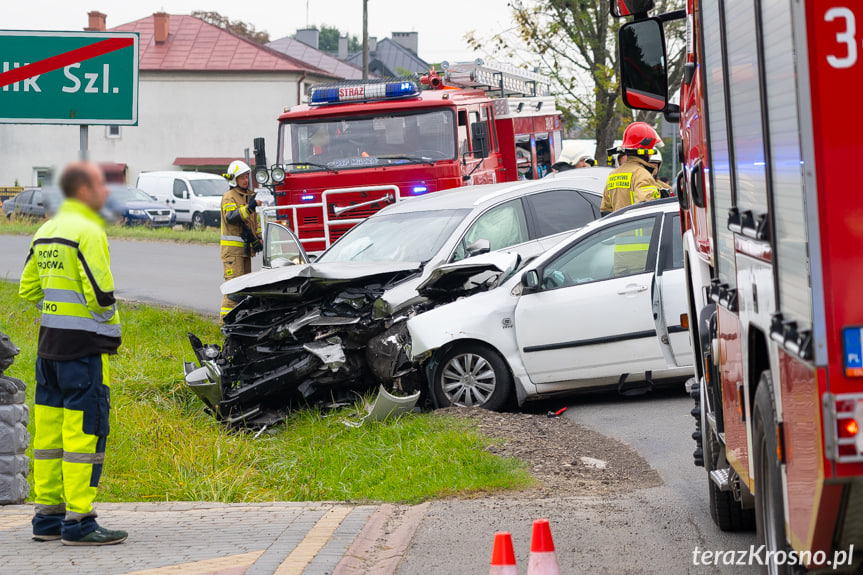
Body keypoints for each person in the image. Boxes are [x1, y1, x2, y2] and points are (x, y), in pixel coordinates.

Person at [18, 162, 127, 546]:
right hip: (84, 352)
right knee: (84, 435)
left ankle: (47, 517)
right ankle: (79, 522)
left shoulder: (45, 230)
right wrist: (107, 321)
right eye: (100, 185)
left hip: (48, 351)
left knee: (48, 438)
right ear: (83, 191)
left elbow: (28, 291)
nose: (105, 193)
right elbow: (101, 296)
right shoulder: (88, 231)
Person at [220, 160, 262, 320]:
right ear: (234, 179)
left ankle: (238, 322)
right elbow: (231, 218)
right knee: (233, 289)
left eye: (247, 176)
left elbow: (254, 222)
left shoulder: (248, 196)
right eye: (242, 177)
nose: (246, 180)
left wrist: (259, 239)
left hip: (245, 252)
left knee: (244, 289)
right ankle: (224, 324)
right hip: (233, 253)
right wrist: (249, 207)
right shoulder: (229, 197)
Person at [600, 122, 663, 216]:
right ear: (646, 151)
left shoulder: (613, 174)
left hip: (618, 229)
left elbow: (605, 210)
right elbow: (647, 208)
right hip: (639, 230)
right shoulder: (642, 174)